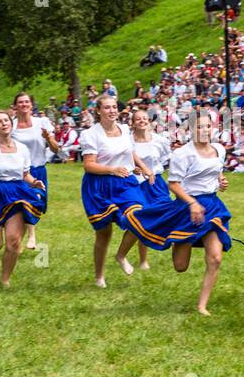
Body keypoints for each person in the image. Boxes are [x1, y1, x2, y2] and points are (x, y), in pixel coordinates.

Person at [124, 110, 231, 315]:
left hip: (213, 206)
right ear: (191, 129)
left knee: (215, 258)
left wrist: (221, 181)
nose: (205, 130)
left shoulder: (219, 149)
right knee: (180, 266)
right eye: (199, 127)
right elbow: (174, 185)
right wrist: (192, 203)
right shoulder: (183, 153)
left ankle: (202, 306)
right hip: (187, 208)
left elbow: (217, 171)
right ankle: (183, 238)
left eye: (208, 126)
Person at [79, 96, 156, 288]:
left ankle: (121, 255)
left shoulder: (124, 129)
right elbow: (88, 165)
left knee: (140, 217)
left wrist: (144, 168)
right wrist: (112, 169)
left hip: (124, 182)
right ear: (98, 111)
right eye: (107, 107)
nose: (112, 110)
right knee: (104, 233)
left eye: (114, 107)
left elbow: (130, 152)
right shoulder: (91, 134)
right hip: (99, 186)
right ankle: (99, 277)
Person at [0, 109, 48, 288]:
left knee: (14, 241)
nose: (4, 123)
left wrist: (35, 182)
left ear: (11, 123)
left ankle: (4, 280)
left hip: (16, 194)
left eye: (6, 120)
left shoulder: (22, 148)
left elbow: (25, 174)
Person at [10, 92, 60, 252]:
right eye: (20, 102)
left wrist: (48, 138)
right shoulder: (11, 125)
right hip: (18, 172)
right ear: (15, 106)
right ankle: (30, 236)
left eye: (26, 102)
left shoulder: (42, 122)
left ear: (31, 105)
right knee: (23, 204)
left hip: (38, 170)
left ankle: (22, 239)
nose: (24, 104)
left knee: (35, 204)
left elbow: (55, 148)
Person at [128, 108, 172, 272]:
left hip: (157, 183)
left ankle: (174, 245)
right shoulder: (128, 142)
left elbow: (165, 161)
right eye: (138, 119)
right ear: (132, 123)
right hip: (138, 184)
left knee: (168, 214)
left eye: (144, 118)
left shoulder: (159, 140)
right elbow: (125, 163)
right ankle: (143, 260)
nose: (142, 121)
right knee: (142, 220)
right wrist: (135, 169)